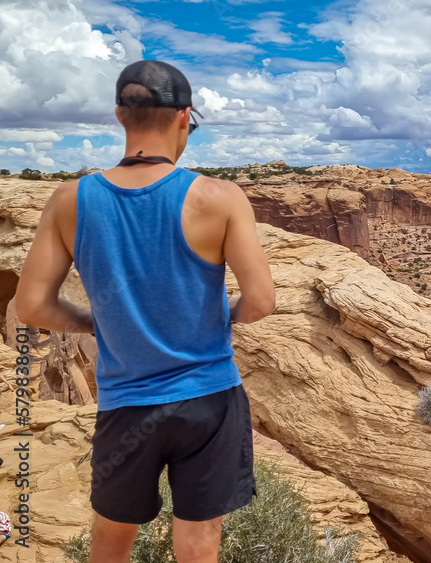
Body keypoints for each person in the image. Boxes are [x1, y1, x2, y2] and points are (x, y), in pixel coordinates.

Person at [13, 59, 276, 563]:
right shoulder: (219, 197)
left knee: (111, 537)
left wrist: (93, 323)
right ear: (184, 119)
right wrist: (225, 318)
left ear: (119, 115)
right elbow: (262, 300)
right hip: (209, 399)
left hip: (126, 404)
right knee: (199, 540)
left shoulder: (72, 200)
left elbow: (32, 306)